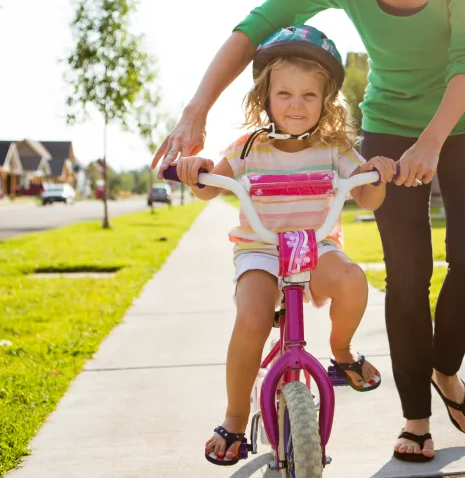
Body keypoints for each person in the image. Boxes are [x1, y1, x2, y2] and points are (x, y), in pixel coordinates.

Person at [154, 0, 465, 462]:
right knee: (409, 274)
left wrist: (432, 143)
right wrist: (196, 110)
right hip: (391, 123)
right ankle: (416, 419)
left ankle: (445, 366)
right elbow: (254, 28)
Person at [169, 25, 398, 466]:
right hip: (261, 249)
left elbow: (368, 196)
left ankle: (343, 353)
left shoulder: (335, 148)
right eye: (285, 94)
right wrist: (197, 168)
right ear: (265, 98)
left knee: (353, 281)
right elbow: (210, 187)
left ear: (326, 100)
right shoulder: (249, 148)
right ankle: (236, 418)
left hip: (315, 247)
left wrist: (376, 172)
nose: (296, 105)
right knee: (253, 318)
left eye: (309, 96)